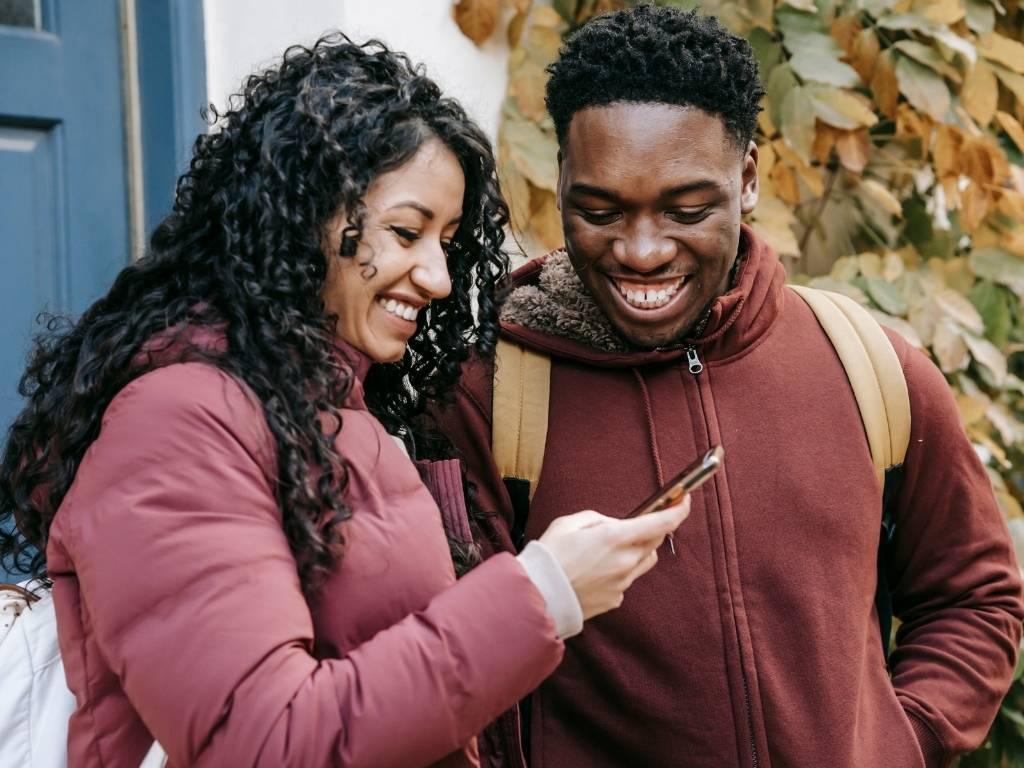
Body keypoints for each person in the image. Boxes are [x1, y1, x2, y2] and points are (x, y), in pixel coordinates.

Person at [0, 34, 689, 768]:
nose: (438, 277)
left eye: (447, 241)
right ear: (299, 217)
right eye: (404, 232)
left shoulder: (336, 407)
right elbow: (263, 741)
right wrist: (540, 595)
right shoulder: (179, 420)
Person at [429, 6, 1024, 767]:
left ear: (745, 181)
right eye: (601, 210)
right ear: (562, 183)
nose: (642, 252)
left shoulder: (869, 365)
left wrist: (901, 743)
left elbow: (973, 595)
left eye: (686, 210)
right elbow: (448, 677)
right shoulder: (489, 393)